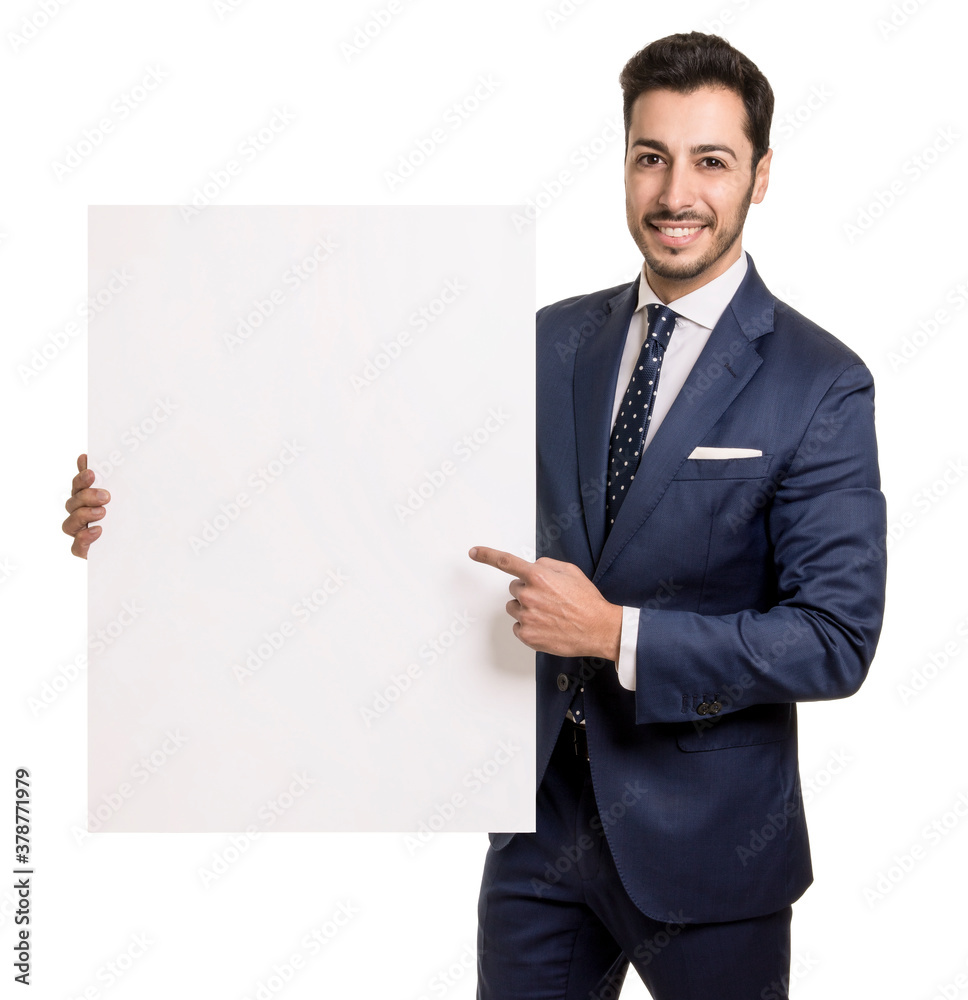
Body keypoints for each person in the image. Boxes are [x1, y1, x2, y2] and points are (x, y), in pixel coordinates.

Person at [469, 31, 887, 1000]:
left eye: (710, 160)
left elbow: (833, 637)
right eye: (649, 156)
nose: (674, 193)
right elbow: (392, 503)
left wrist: (617, 634)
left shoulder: (818, 382)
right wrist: (139, 518)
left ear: (760, 174)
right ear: (622, 162)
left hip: (711, 853)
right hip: (535, 832)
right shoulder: (546, 341)